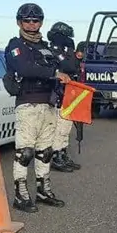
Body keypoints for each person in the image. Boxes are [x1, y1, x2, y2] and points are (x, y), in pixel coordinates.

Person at [3, 3, 78, 213]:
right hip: (28, 104)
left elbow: (68, 67)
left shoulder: (46, 47)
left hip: (49, 103)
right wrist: (53, 72)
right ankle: (20, 194)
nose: (31, 24)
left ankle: (43, 191)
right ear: (19, 22)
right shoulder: (16, 45)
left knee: (45, 152)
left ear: (41, 22)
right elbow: (25, 68)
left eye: (35, 20)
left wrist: (67, 49)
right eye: (26, 20)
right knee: (25, 152)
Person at [46, 21, 82, 172]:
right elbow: (69, 66)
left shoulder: (65, 51)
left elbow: (75, 67)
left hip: (68, 94)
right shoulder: (54, 51)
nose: (69, 41)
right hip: (58, 94)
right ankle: (56, 156)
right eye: (66, 37)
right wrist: (73, 55)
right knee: (60, 126)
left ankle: (63, 153)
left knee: (66, 126)